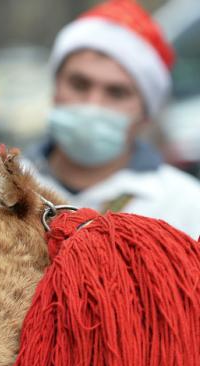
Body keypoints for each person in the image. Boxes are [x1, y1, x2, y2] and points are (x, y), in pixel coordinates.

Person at [27, 0, 200, 238]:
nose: (92, 104)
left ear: (146, 113)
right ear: (55, 87)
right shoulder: (5, 186)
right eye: (79, 84)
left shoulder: (185, 208)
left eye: (117, 92)